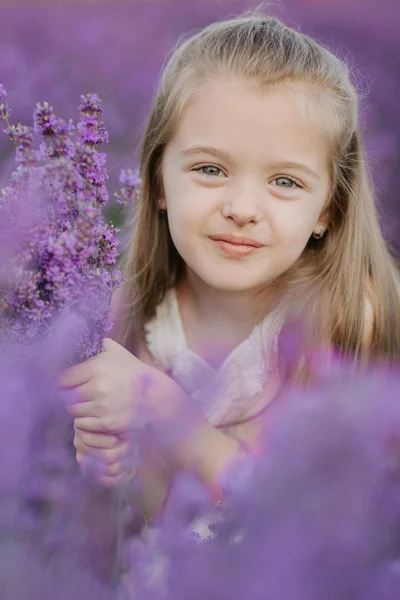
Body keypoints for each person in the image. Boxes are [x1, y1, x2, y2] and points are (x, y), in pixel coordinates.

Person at [58, 11, 400, 522]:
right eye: (210, 169)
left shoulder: (347, 317)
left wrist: (172, 416)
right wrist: (114, 465)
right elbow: (147, 525)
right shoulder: (129, 318)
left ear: (328, 210)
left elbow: (303, 523)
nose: (242, 207)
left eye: (285, 181)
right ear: (156, 184)